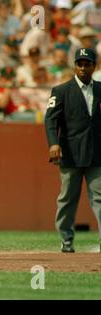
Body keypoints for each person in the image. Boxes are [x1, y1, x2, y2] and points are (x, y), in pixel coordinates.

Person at [45, 47, 101, 253]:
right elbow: (50, 120)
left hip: (97, 153)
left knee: (100, 198)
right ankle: (66, 240)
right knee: (68, 198)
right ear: (74, 66)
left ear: (94, 66)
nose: (83, 68)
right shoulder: (61, 91)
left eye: (87, 64)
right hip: (70, 152)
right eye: (80, 64)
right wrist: (53, 143)